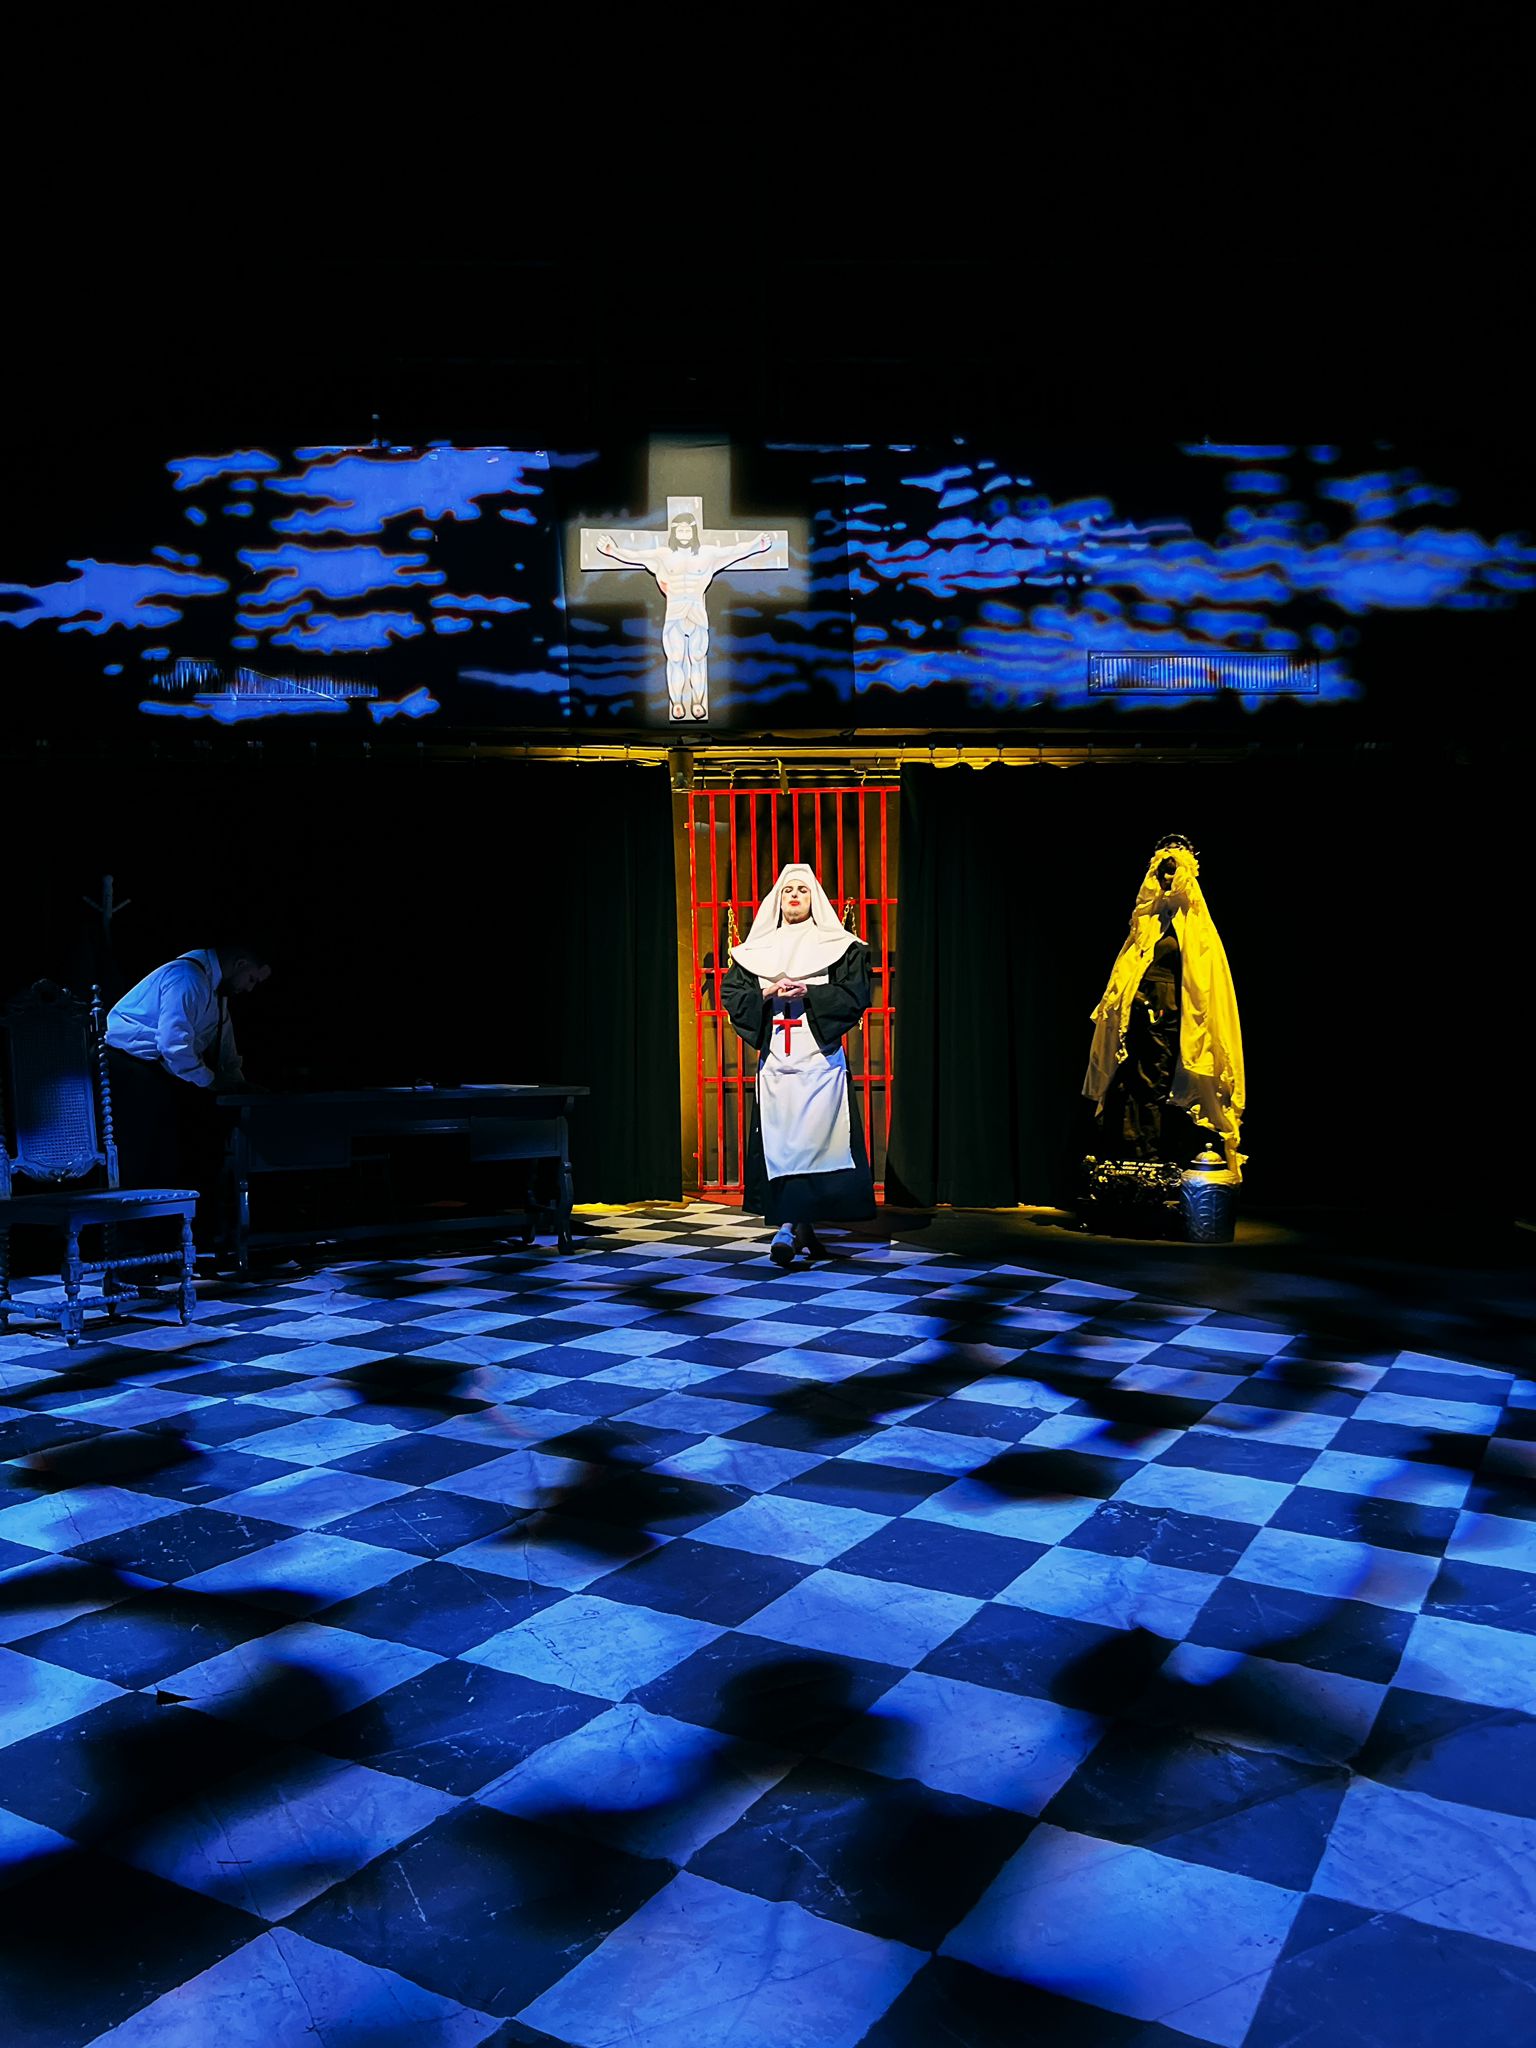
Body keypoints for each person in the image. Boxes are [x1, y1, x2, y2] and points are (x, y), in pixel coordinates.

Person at [722, 864, 875, 1264]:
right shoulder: (756, 950)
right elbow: (733, 996)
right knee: (783, 1143)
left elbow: (856, 994)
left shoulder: (839, 945)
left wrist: (810, 991)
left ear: (814, 899)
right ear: (777, 900)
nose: (794, 895)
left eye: (802, 890)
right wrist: (766, 993)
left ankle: (792, 1226)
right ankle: (794, 1224)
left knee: (817, 1143)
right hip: (777, 1066)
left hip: (821, 1065)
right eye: (787, 889)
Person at [1082, 836, 1245, 1176]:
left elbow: (1200, 983)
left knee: (1158, 1083)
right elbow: (1128, 973)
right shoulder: (1149, 924)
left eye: (1172, 871)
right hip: (1141, 1017)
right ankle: (1134, 1159)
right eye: (1162, 872)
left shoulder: (1193, 928)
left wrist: (1164, 1009)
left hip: (1169, 1019)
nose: (1167, 879)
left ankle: (1157, 1160)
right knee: (1131, 1085)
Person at [104, 943, 271, 1247]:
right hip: (129, 1067)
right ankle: (133, 1252)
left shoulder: (215, 993)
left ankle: (178, 1243)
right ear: (240, 963)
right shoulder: (188, 978)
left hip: (158, 1071)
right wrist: (212, 1082)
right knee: (144, 1161)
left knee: (176, 1154)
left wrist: (239, 1085)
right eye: (251, 979)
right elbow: (174, 1046)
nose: (250, 988)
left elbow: (226, 1052)